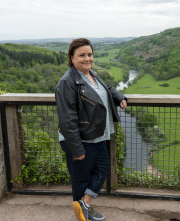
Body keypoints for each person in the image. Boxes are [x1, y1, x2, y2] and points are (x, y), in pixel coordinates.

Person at [55, 38, 127, 221]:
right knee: (81, 178)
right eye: (82, 55)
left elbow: (106, 89)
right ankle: (83, 212)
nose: (87, 58)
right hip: (80, 140)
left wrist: (118, 96)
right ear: (71, 58)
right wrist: (77, 149)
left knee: (103, 169)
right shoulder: (67, 82)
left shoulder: (91, 74)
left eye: (89, 54)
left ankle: (84, 204)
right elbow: (67, 120)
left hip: (97, 136)